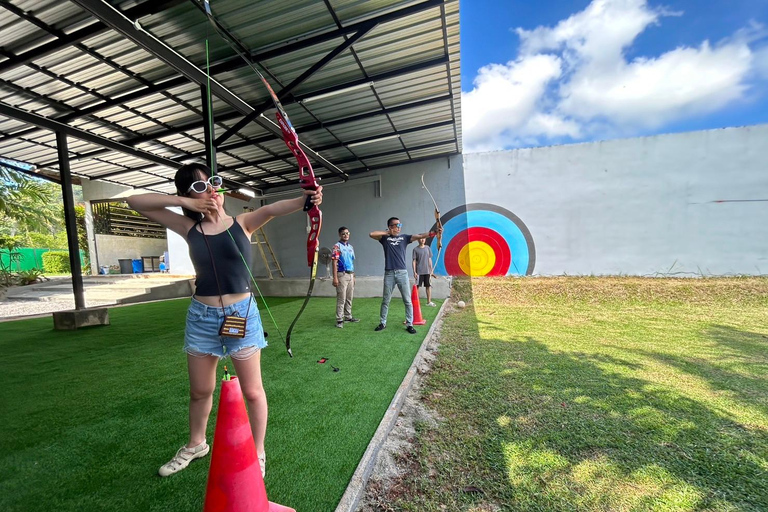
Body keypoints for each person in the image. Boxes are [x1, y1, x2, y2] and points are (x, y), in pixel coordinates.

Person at [126, 163, 322, 479]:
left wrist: (306, 200)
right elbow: (134, 202)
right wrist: (185, 204)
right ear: (187, 195)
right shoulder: (187, 228)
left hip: (241, 315)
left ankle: (258, 452)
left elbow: (272, 208)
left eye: (213, 183)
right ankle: (196, 444)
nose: (211, 191)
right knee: (200, 391)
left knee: (253, 392)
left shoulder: (242, 223)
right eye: (200, 187)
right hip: (202, 319)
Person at [369, 217, 439, 333]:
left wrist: (434, 233)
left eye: (399, 225)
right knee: (386, 300)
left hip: (402, 273)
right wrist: (387, 232)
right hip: (389, 273)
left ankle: (410, 324)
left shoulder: (404, 238)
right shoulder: (384, 238)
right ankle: (382, 323)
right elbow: (371, 234)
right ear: (390, 227)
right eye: (396, 225)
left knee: (407, 300)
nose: (399, 227)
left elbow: (420, 235)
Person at [332, 226, 359, 328]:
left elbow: (351, 262)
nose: (346, 235)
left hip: (350, 274)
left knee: (349, 297)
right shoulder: (337, 247)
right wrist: (335, 278)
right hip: (341, 275)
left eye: (347, 233)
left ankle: (348, 316)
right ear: (340, 235)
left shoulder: (350, 247)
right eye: (343, 233)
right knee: (341, 298)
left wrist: (354, 275)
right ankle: (339, 319)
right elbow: (334, 263)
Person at [412, 237, 436, 307]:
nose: (422, 240)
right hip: (419, 272)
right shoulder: (415, 249)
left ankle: (429, 302)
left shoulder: (427, 248)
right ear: (418, 240)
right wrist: (414, 272)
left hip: (427, 271)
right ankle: (415, 302)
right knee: (417, 287)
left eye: (424, 238)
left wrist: (431, 270)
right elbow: (414, 261)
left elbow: (429, 259)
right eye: (421, 238)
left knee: (428, 286)